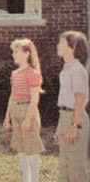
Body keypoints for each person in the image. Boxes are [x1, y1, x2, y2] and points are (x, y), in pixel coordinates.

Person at [3, 39, 44, 182]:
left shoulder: (33, 73)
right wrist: (7, 117)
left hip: (28, 111)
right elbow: (12, 95)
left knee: (31, 150)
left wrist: (28, 119)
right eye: (13, 51)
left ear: (26, 53)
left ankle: (34, 179)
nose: (13, 54)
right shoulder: (15, 73)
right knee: (21, 150)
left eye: (16, 51)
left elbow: (34, 100)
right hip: (15, 110)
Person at [56, 30, 89, 182]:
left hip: (75, 118)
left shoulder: (77, 70)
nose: (58, 45)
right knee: (64, 166)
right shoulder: (66, 68)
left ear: (73, 47)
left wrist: (75, 125)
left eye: (61, 43)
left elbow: (80, 99)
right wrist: (60, 126)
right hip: (65, 116)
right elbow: (64, 101)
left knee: (76, 168)